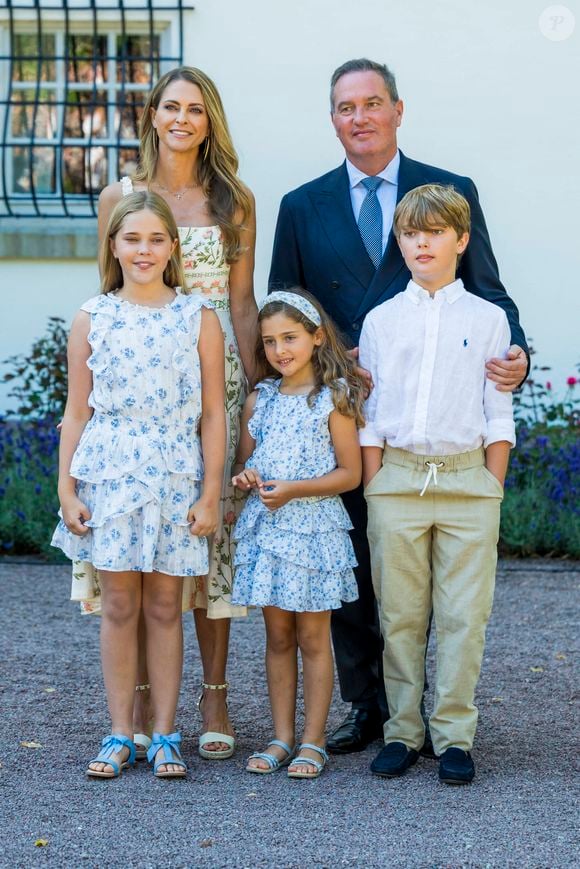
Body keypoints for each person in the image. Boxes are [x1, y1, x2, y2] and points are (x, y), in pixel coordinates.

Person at [269, 58, 528, 755]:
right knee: (351, 561)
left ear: (397, 110)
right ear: (333, 119)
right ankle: (371, 706)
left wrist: (519, 355)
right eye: (346, 107)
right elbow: (284, 306)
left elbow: (490, 295)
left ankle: (438, 723)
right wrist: (322, 367)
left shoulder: (446, 195)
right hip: (339, 413)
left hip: (430, 416)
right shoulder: (302, 203)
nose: (360, 117)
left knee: (435, 593)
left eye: (372, 103)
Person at [74, 66, 257, 760]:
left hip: (213, 377)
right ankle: (137, 713)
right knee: (137, 569)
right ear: (153, 114)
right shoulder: (121, 195)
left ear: (211, 121)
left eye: (197, 109)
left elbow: (240, 304)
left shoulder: (232, 199)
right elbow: (107, 283)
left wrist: (251, 408)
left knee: (205, 552)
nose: (183, 118)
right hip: (137, 382)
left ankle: (211, 695)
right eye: (171, 106)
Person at [52, 191, 226, 778]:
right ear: (114, 246)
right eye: (133, 239)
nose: (144, 250)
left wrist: (210, 494)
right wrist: (66, 490)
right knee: (119, 603)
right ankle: (120, 731)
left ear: (173, 248)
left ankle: (167, 734)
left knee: (165, 606)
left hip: (177, 472)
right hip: (110, 472)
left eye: (156, 239)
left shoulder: (198, 317)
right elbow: (76, 411)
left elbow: (214, 415)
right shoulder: (92, 317)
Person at [360, 183, 515, 784]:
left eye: (434, 232)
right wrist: (376, 486)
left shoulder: (488, 318)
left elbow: (498, 412)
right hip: (397, 480)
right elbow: (368, 416)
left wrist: (491, 488)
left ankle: (453, 734)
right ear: (399, 242)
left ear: (461, 239)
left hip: (467, 482)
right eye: (409, 233)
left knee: (463, 615)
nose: (421, 242)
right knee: (400, 614)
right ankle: (403, 728)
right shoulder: (381, 319)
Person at [230, 290, 364, 778]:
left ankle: (314, 739)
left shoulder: (334, 398)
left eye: (290, 337)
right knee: (278, 636)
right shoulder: (259, 400)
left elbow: (350, 473)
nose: (280, 350)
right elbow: (246, 461)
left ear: (316, 336)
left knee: (313, 637)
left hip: (315, 532)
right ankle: (281, 736)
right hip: (268, 531)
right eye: (269, 342)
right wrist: (244, 476)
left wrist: (297, 490)